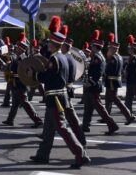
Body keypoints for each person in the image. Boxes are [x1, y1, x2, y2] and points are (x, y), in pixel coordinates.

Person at [29, 28, 90, 169]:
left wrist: (34, 75)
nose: (47, 44)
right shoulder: (62, 57)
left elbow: (48, 77)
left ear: (52, 44)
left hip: (55, 98)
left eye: (49, 42)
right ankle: (42, 155)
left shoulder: (55, 59)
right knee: (49, 129)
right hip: (57, 97)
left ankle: (81, 155)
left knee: (63, 128)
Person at [81, 30, 120, 135]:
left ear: (95, 47)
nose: (91, 47)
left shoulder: (98, 58)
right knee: (88, 107)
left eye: (92, 46)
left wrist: (90, 82)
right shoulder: (98, 56)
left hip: (94, 86)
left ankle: (112, 125)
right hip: (92, 85)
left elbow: (98, 73)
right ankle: (85, 126)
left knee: (100, 108)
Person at [2, 32, 42, 128]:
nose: (16, 49)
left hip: (21, 83)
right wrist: (8, 66)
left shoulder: (23, 58)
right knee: (15, 103)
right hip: (16, 82)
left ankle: (37, 120)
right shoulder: (18, 56)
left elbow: (22, 70)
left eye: (18, 47)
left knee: (25, 103)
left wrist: (10, 67)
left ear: (21, 49)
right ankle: (10, 120)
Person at [58, 24, 86, 145]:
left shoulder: (65, 59)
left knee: (71, 118)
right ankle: (45, 134)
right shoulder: (71, 58)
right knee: (57, 116)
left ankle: (81, 139)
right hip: (67, 89)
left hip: (65, 90)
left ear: (65, 46)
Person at [104, 33, 136, 125]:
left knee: (115, 100)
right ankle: (106, 116)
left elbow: (109, 70)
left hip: (111, 81)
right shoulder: (119, 57)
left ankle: (129, 115)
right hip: (114, 81)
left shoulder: (113, 58)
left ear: (113, 49)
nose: (108, 50)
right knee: (108, 99)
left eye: (110, 48)